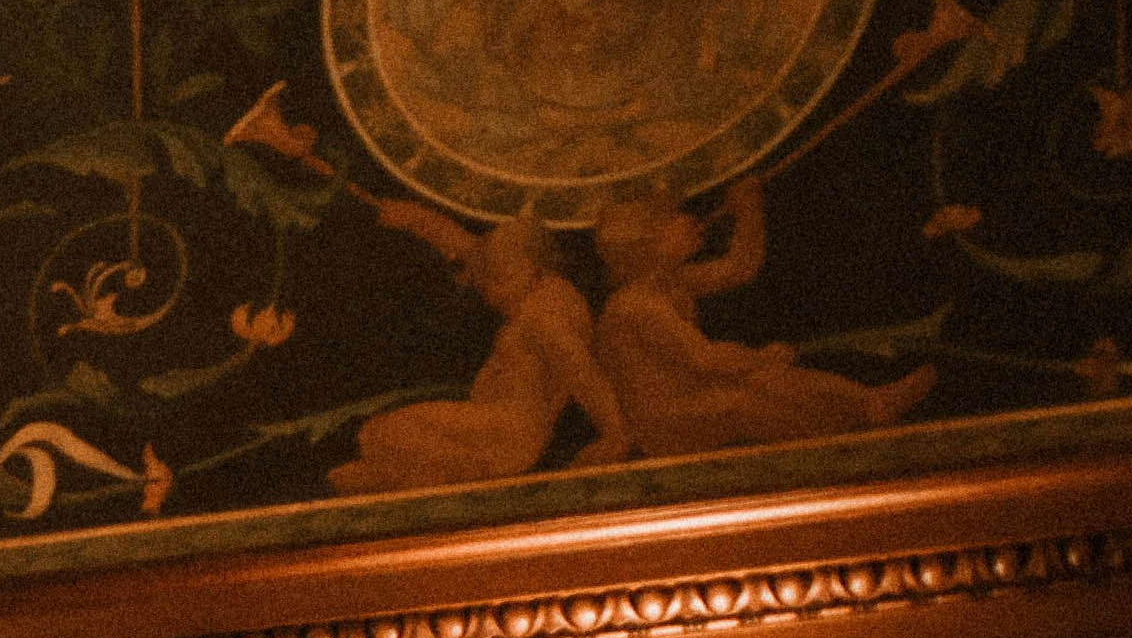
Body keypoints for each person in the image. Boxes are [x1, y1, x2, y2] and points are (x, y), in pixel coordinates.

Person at [586, 179, 933, 458]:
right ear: (644, 248)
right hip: (665, 425)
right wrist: (760, 357)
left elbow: (740, 267)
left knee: (767, 380)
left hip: (693, 398)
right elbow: (705, 358)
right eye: (666, 223)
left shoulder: (670, 282)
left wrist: (749, 211)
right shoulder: (637, 305)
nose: (685, 219)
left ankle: (870, 403)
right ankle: (841, 445)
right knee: (741, 402)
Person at [326, 198, 624, 497]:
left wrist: (614, 436)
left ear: (534, 268)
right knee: (367, 451)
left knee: (387, 432)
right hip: (497, 421)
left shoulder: (544, 316)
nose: (491, 293)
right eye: (489, 281)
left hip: (510, 432)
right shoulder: (539, 290)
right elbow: (469, 249)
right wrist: (413, 218)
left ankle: (451, 472)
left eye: (500, 280)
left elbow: (584, 376)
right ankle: (415, 473)